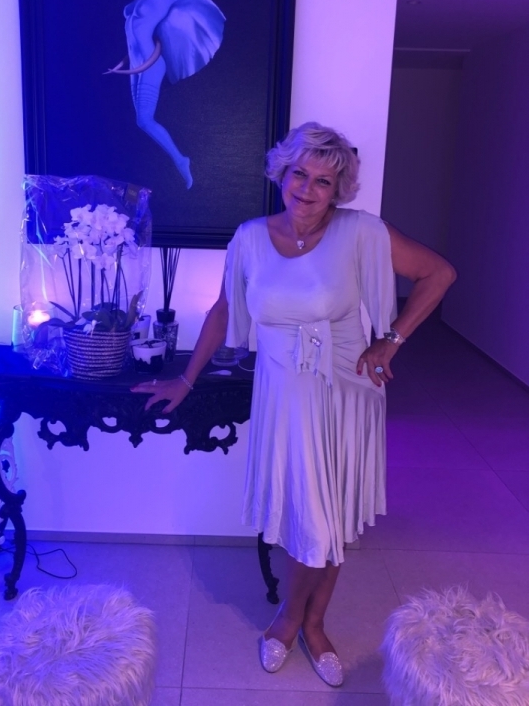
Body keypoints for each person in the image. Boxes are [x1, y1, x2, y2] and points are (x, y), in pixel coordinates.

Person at [132, 122, 456, 687]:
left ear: (338, 190)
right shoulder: (250, 238)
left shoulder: (361, 231)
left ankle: (301, 622)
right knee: (310, 514)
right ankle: (301, 621)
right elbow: (223, 311)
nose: (307, 189)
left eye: (323, 181)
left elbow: (439, 273)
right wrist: (185, 379)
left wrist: (391, 340)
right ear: (282, 173)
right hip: (285, 394)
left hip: (347, 389)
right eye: (299, 174)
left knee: (334, 514)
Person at [104, 0, 226, 189]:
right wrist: (126, 65)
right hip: (136, 65)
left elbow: (144, 28)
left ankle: (181, 160)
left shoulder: (163, 1)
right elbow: (132, 33)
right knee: (142, 121)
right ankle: (180, 159)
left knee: (144, 120)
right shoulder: (146, 0)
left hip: (150, 66)